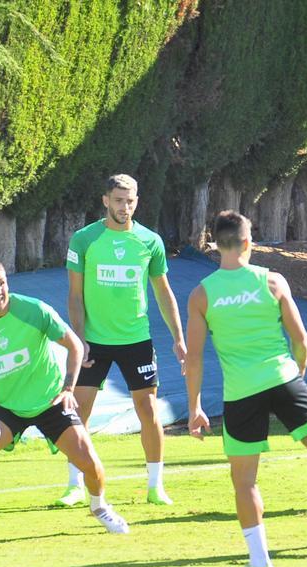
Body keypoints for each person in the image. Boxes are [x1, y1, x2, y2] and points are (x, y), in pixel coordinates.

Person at [186, 211, 307, 567]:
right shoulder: (272, 281)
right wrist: (296, 377)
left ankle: (259, 562)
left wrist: (194, 408)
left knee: (245, 482)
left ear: (214, 245)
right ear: (249, 243)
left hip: (241, 394)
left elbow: (194, 358)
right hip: (284, 380)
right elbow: (301, 341)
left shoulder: (202, 294)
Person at [0, 257, 130, 542]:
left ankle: (100, 508)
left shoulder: (34, 310)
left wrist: (67, 388)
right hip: (7, 406)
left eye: (1, 283)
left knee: (89, 461)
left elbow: (74, 345)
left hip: (51, 401)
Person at [58, 174, 186, 507]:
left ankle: (156, 486)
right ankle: (74, 484)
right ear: (105, 200)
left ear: (137, 201)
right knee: (78, 412)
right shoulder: (84, 240)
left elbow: (163, 291)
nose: (124, 207)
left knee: (148, 410)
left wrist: (178, 337)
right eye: (118, 200)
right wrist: (80, 338)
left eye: (130, 201)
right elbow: (75, 295)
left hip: (136, 340)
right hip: (93, 342)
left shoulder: (150, 241)